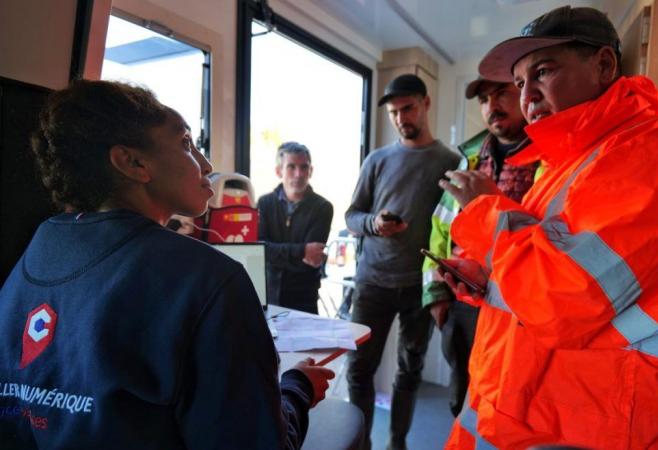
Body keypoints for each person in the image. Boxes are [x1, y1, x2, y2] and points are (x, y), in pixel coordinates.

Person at [0, 80, 334, 450]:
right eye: (187, 144)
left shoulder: (31, 257)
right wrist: (297, 387)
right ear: (133, 162)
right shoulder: (211, 279)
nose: (206, 164)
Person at [442, 6, 658, 450]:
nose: (528, 96)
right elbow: (538, 270)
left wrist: (485, 210)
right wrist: (487, 281)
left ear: (603, 65)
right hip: (525, 410)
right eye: (520, 83)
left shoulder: (656, 153)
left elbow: (561, 297)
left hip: (592, 426)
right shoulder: (565, 165)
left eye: (543, 72)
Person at [345, 74, 461, 450]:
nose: (400, 118)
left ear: (426, 104)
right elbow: (352, 217)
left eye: (407, 108)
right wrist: (374, 225)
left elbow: (455, 226)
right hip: (371, 284)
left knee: (409, 371)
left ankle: (398, 444)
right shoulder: (377, 160)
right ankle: (361, 444)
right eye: (394, 112)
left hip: (418, 288)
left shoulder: (450, 161)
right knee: (359, 371)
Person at [421, 76, 537, 418]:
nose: (492, 105)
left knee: (512, 404)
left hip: (520, 304)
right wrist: (435, 295)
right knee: (464, 399)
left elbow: (547, 234)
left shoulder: (551, 158)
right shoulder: (469, 159)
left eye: (502, 93)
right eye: (484, 99)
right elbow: (440, 226)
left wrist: (493, 203)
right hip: (462, 301)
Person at [258, 142, 333, 314]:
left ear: (311, 171)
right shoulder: (264, 203)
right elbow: (260, 250)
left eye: (304, 167)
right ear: (279, 171)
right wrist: (301, 251)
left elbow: (311, 261)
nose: (298, 174)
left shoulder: (323, 207)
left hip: (304, 298)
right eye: (291, 167)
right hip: (268, 295)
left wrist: (273, 253)